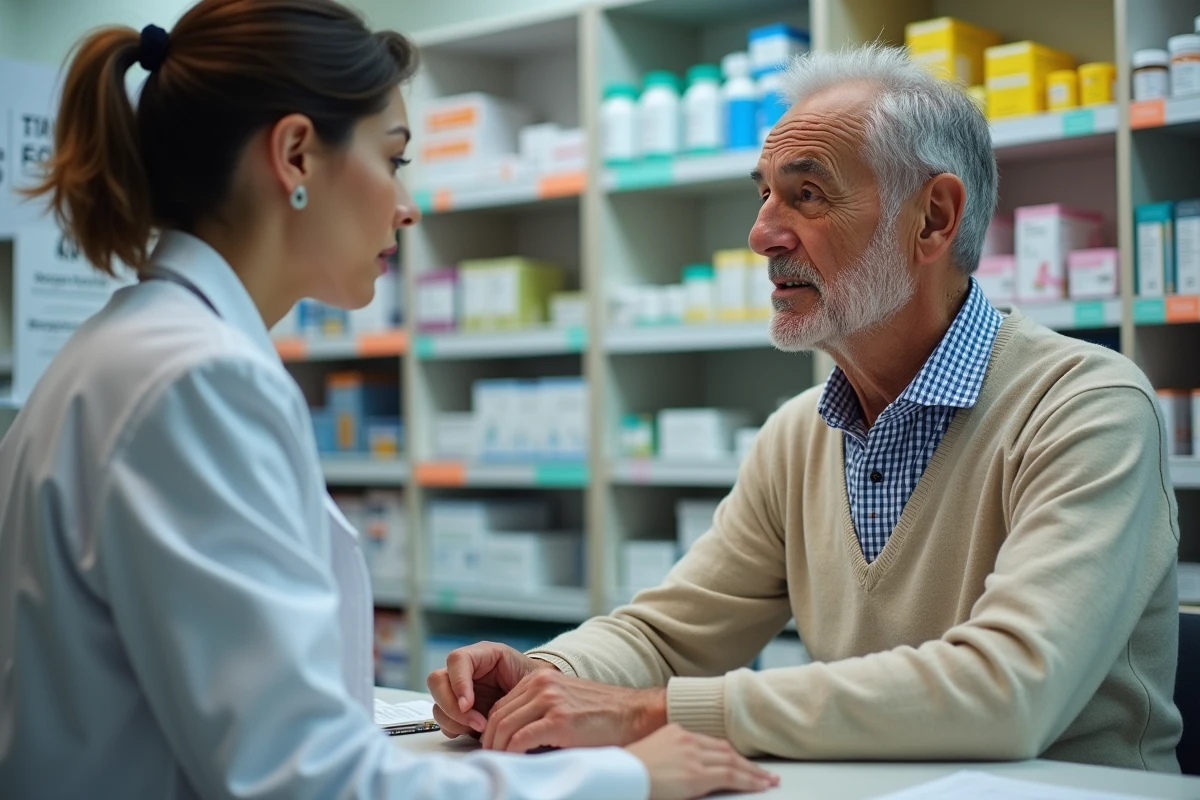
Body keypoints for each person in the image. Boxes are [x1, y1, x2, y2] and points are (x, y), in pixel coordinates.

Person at [0, 2, 781, 798]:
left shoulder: (125, 348)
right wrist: (621, 776)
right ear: (297, 154)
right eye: (395, 160)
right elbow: (305, 782)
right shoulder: (196, 378)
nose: (407, 207)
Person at [429, 44, 1184, 772]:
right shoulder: (798, 435)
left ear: (933, 219)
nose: (761, 234)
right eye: (762, 193)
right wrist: (541, 675)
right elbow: (667, 636)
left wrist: (653, 712)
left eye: (807, 194)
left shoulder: (1084, 408)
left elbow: (1010, 689)